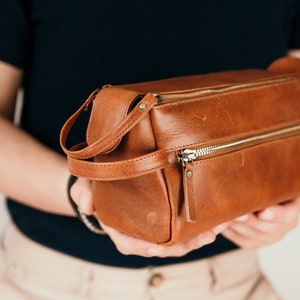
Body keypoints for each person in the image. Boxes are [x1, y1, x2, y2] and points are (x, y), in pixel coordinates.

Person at [0, 1, 300, 299]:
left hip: (236, 283)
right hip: (51, 285)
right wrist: (82, 192)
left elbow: (292, 96)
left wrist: (293, 202)